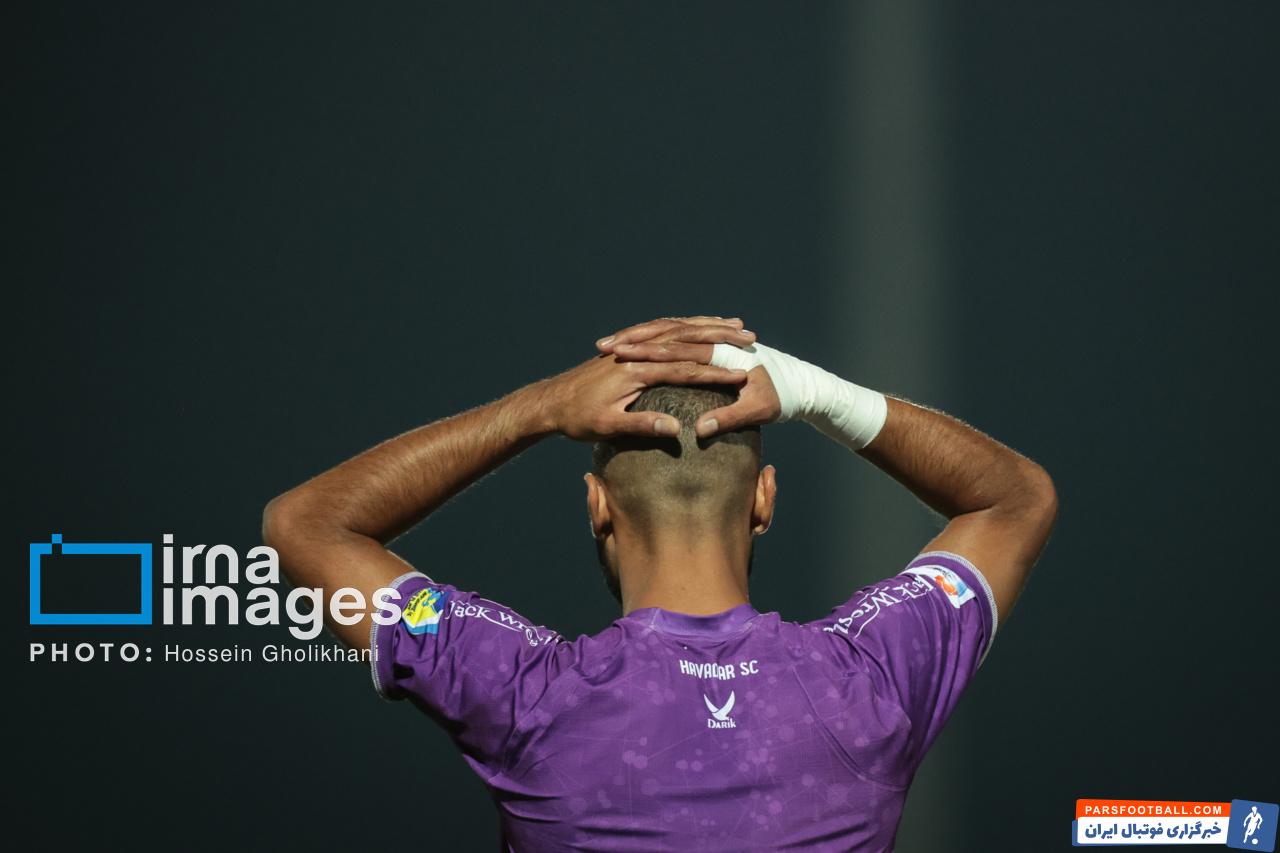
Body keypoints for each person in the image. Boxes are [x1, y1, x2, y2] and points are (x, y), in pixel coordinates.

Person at [263, 315, 1057, 852]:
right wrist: (814, 392)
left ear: (597, 505)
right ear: (764, 498)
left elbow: (306, 526)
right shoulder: (870, 683)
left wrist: (535, 410)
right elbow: (1016, 500)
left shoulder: (524, 694)